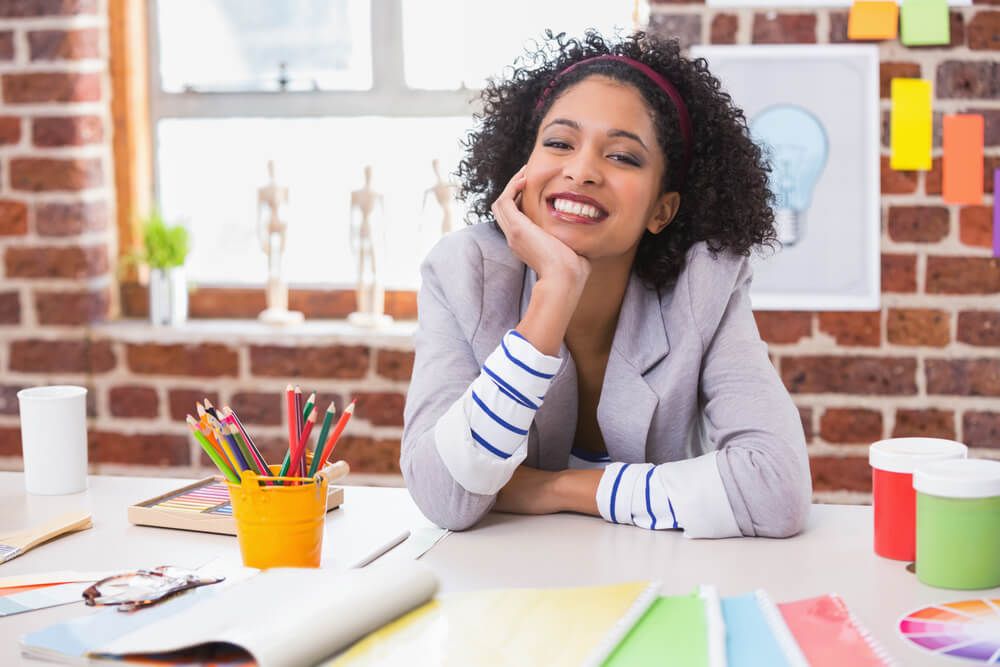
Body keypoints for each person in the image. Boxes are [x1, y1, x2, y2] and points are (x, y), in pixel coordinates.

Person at [401, 31, 812, 539]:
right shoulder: (460, 272)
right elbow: (444, 496)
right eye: (558, 143)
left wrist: (554, 489)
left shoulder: (706, 283)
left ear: (662, 210)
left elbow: (777, 491)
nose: (581, 171)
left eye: (622, 156)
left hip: (658, 580)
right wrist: (556, 289)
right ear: (521, 174)